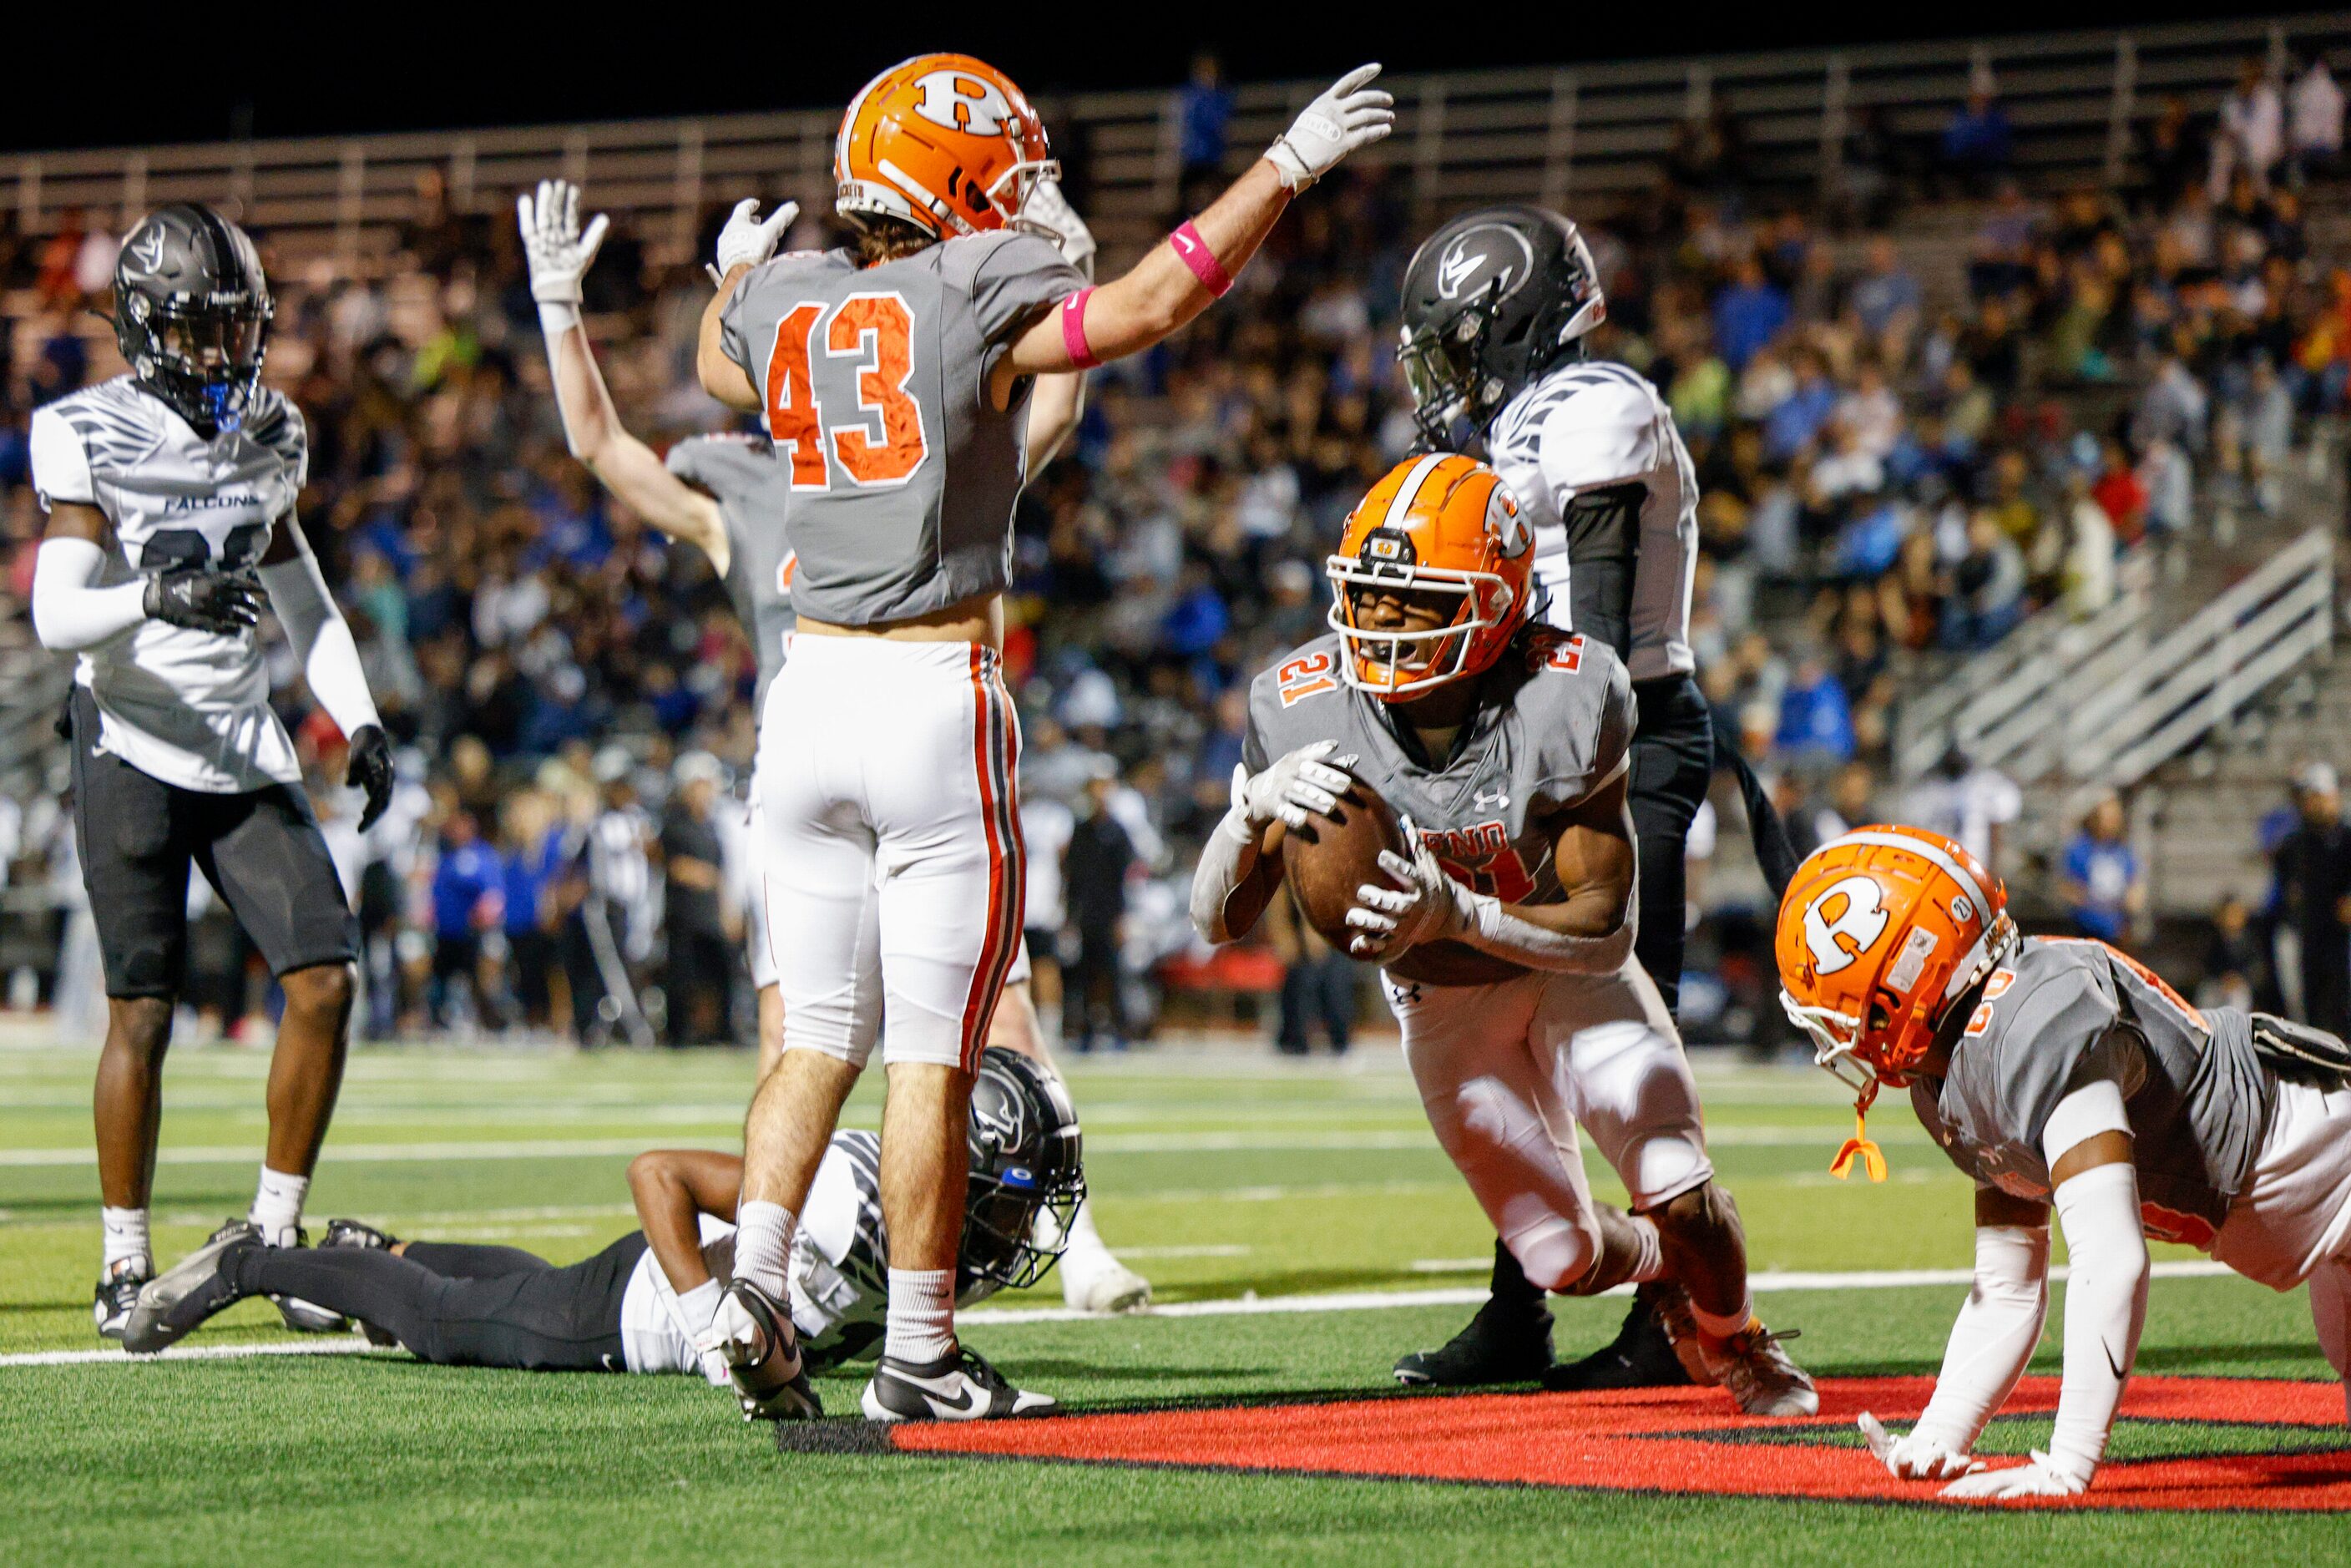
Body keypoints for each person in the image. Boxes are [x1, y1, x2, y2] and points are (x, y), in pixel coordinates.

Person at [691, 55, 1385, 1424]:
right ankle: (920, 1348)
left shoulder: (789, 297)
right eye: (1003, 175)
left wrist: (733, 271)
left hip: (801, 705)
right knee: (934, 1054)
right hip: (931, 696)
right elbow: (1154, 300)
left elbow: (720, 356)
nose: (1023, 198)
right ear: (949, 183)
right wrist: (1287, 167)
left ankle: (754, 1286)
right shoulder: (970, 287)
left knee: (812, 1036)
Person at [520, 177, 1146, 1312]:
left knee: (988, 1012)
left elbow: (1043, 419)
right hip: (821, 766)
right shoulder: (752, 494)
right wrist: (564, 310)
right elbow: (603, 446)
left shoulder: (912, 425)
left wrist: (1070, 284)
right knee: (804, 1035)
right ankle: (804, 1278)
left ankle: (1072, 1238)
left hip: (883, 741)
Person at [1191, 453, 1814, 1417]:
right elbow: (1214, 921)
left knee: (1679, 1189)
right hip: (1439, 1000)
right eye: (1367, 595)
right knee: (1561, 1259)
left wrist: (1457, 911)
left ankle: (1733, 1339)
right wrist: (1247, 816)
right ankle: (1661, 1267)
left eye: (1415, 604)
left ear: (1499, 606)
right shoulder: (1301, 700)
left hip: (1558, 967)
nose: (1380, 626)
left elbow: (1605, 929)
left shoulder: (1567, 689)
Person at [1396, 204, 1800, 1389]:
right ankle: (1521, 1304)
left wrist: (1552, 757)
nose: (1448, 371)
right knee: (1531, 1028)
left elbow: (1605, 639)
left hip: (1616, 737)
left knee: (1628, 1029)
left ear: (1515, 324)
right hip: (1532, 739)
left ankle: (1674, 1318)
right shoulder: (1523, 422)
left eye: (1461, 341)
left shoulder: (1597, 405)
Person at [27, 205, 395, 1339]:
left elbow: (302, 595)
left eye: (237, 330)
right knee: (142, 1011)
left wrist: (362, 715)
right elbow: (52, 614)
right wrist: (154, 593)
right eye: (198, 331)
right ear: (143, 329)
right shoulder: (85, 428)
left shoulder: (271, 428)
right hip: (131, 735)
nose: (223, 355)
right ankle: (123, 1254)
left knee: (324, 978)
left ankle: (278, 1243)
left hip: (238, 744)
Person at [1776, 825, 2351, 1498]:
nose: (1842, 1038)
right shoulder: (1953, 1076)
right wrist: (1940, 1432)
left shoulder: (2035, 1024)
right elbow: (2008, 1283)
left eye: (1845, 1012)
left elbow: (2112, 1258)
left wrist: (2068, 1464)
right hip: (2308, 1221)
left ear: (1904, 982)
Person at [124, 1049, 1083, 1418]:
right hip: (629, 1319)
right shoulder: (846, 1200)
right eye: (1012, 1194)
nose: (1021, 1220)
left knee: (515, 1286)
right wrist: (714, 1321)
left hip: (632, 1291)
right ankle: (249, 1260)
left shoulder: (933, 1239)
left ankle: (381, 1250)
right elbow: (656, 1175)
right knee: (442, 1325)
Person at [660, 752, 738, 1046]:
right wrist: (706, 875)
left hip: (710, 914)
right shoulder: (675, 824)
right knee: (683, 977)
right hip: (683, 914)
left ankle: (719, 1030)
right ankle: (679, 1034)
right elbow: (675, 866)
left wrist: (727, 908)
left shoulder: (714, 827)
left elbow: (721, 873)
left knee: (719, 976)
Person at [1061, 765, 1136, 1053]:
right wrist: (1069, 916)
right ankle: (1086, 1032)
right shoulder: (1081, 831)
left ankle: (1120, 1031)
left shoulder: (1117, 833)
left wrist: (1121, 918)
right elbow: (1073, 878)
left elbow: (1122, 881)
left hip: (1109, 913)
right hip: (1085, 914)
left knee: (1112, 975)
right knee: (1085, 976)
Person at [2273, 763, 2351, 1036]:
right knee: (2312, 1012)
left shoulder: (2346, 839)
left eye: (2319, 796)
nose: (2313, 804)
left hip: (2343, 942)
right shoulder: (2297, 844)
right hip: (2311, 937)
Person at [2059, 792, 2144, 949]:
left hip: (2117, 931)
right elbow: (2068, 888)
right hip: (2086, 930)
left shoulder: (2123, 850)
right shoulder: (2080, 849)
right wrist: (2096, 901)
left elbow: (2135, 889)